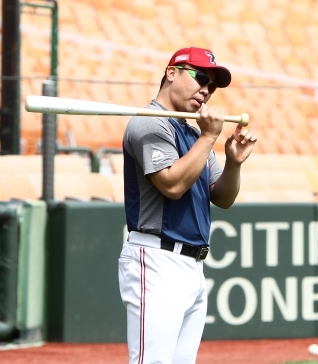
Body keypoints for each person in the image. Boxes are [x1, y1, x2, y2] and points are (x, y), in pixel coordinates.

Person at [119, 47, 257, 364]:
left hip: (192, 264)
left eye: (212, 86)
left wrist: (234, 163)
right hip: (156, 258)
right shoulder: (149, 124)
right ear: (172, 73)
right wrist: (209, 137)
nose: (206, 90)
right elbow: (172, 185)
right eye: (201, 78)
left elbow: (222, 198)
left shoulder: (192, 133)